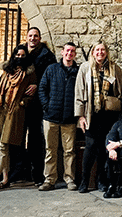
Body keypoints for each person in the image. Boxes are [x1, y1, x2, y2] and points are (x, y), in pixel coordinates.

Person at [74, 42, 122, 193]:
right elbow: (79, 92)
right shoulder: (85, 68)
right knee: (90, 146)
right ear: (92, 52)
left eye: (103, 50)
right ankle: (85, 180)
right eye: (97, 50)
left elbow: (121, 91)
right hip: (92, 114)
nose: (100, 52)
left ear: (106, 52)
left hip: (109, 115)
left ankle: (101, 180)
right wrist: (80, 116)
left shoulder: (114, 68)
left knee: (105, 147)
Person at [0, 44, 34, 193]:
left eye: (22, 55)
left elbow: (31, 93)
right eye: (17, 55)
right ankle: (5, 178)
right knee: (4, 145)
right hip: (1, 109)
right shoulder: (7, 72)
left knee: (3, 145)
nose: (19, 58)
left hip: (15, 110)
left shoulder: (29, 73)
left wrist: (23, 102)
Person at [38, 42, 79, 192]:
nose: (69, 53)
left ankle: (70, 179)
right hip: (51, 118)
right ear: (62, 52)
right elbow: (42, 88)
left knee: (69, 151)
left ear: (75, 54)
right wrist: (47, 107)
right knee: (50, 150)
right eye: (67, 50)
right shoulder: (52, 69)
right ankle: (49, 180)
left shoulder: (78, 71)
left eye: (72, 51)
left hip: (69, 119)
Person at [22, 27, 55, 185]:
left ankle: (37, 174)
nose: (33, 38)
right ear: (26, 37)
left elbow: (50, 77)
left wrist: (37, 85)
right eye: (30, 36)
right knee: (18, 137)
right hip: (20, 102)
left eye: (36, 36)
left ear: (40, 38)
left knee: (36, 139)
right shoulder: (20, 52)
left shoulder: (47, 56)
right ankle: (21, 172)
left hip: (37, 104)